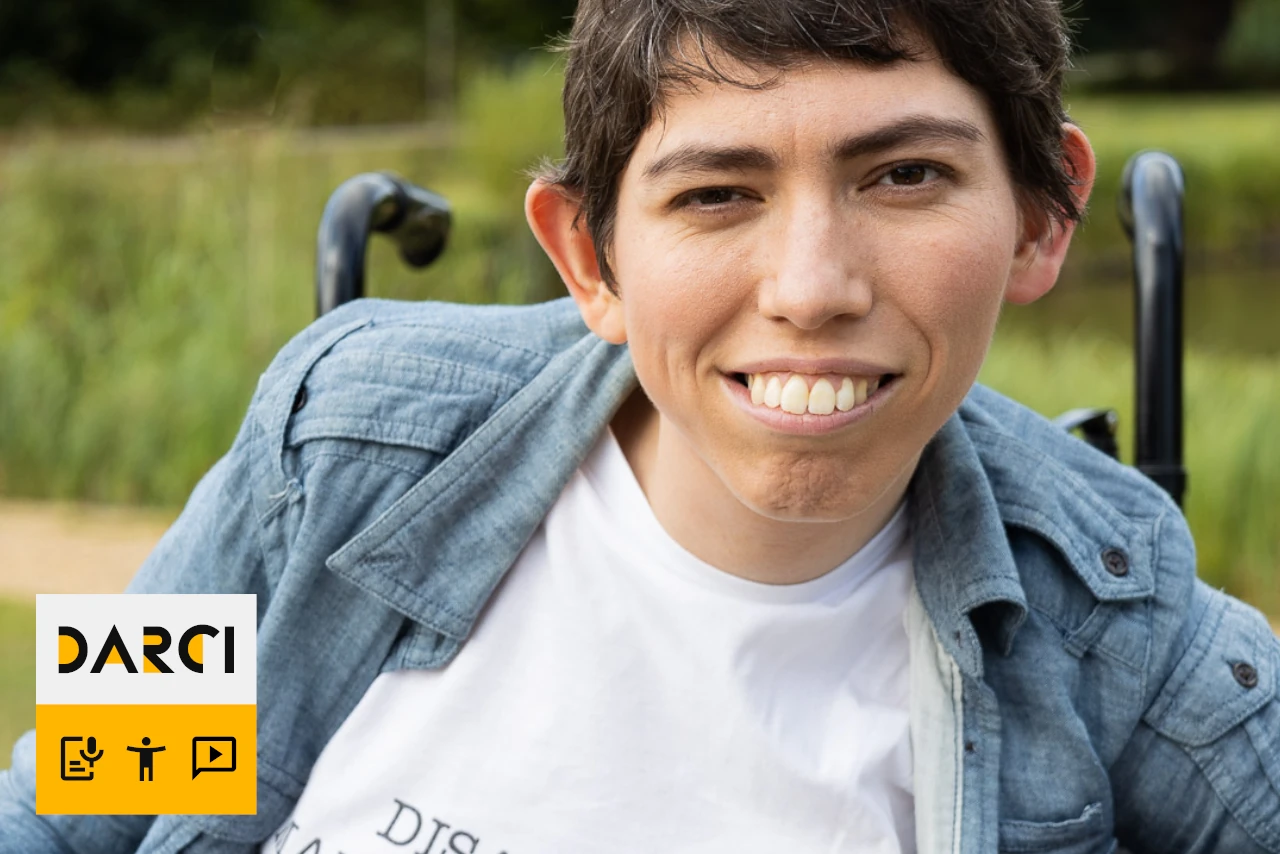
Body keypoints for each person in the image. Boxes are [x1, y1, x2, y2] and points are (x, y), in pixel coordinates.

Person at [4, 0, 1279, 851]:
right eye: (717, 192)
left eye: (903, 175)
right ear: (587, 256)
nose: (810, 287)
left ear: (1042, 214)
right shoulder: (334, 429)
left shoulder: (1134, 633)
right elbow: (68, 808)